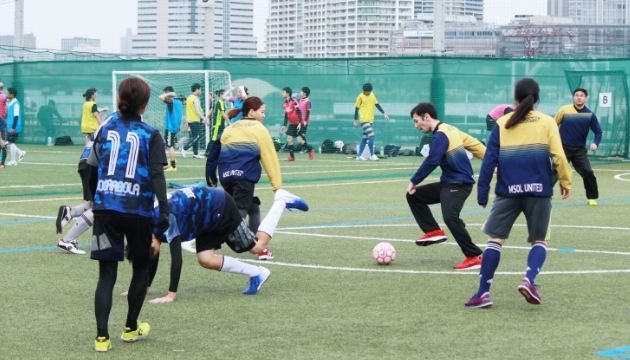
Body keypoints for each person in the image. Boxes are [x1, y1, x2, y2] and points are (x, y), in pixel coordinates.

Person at [465, 78, 572, 309]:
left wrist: (482, 193)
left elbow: (489, 160)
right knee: (539, 240)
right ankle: (529, 280)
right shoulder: (546, 122)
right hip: (539, 191)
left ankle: (483, 293)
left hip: (507, 191)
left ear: (515, 98)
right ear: (537, 98)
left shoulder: (502, 122)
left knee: (495, 240)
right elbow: (559, 156)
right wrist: (566, 181)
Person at [86, 77, 169, 352]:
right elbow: (157, 175)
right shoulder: (151, 134)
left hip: (106, 209)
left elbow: (90, 166)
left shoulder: (105, 127)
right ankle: (130, 327)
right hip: (138, 211)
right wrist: (164, 209)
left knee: (106, 275)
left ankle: (101, 338)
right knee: (140, 267)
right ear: (145, 104)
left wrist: (93, 201)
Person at [145, 184, 308, 303]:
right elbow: (153, 255)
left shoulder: (163, 220)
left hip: (219, 207)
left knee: (257, 247)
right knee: (205, 259)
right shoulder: (147, 227)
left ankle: (281, 200)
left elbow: (176, 258)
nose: (153, 254)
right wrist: (146, 287)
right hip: (203, 218)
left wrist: (171, 294)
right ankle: (257, 273)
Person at [406, 102, 486, 270]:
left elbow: (433, 160)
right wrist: (493, 160)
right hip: (448, 183)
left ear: (426, 116)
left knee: (450, 217)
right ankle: (434, 231)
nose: (416, 126)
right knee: (414, 196)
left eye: (416, 120)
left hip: (459, 183)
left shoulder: (441, 134)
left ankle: (474, 256)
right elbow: (475, 145)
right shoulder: (450, 129)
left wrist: (414, 180)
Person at [206, 96, 281, 261]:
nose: (264, 115)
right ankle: (211, 239)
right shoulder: (259, 128)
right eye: (262, 112)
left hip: (226, 176)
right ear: (252, 112)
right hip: (244, 176)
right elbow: (269, 157)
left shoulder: (230, 128)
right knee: (238, 211)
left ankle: (259, 246)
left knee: (253, 206)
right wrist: (277, 186)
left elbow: (213, 154)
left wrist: (211, 177)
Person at [554, 88, 602, 206]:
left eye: (581, 95)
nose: (579, 97)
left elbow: (598, 132)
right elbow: (553, 125)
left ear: (586, 98)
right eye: (576, 95)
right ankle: (543, 196)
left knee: (588, 172)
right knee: (552, 171)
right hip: (563, 148)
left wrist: (595, 143)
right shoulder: (564, 110)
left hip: (579, 150)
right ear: (573, 97)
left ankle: (592, 198)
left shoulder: (590, 114)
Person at [55, 137, 96, 255]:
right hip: (93, 164)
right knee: (100, 207)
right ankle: (66, 241)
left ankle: (70, 212)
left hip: (86, 161)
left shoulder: (110, 121)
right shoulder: (122, 123)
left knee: (97, 202)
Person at [354, 83, 389, 161]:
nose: (368, 93)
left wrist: (384, 113)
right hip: (363, 120)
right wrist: (355, 120)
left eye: (369, 91)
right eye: (367, 92)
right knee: (372, 135)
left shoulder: (372, 95)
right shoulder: (360, 97)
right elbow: (356, 109)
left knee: (364, 138)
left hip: (370, 120)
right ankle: (372, 155)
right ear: (364, 91)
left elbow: (377, 104)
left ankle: (359, 156)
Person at [158, 86, 184, 172]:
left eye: (165, 93)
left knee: (170, 146)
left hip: (171, 127)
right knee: (168, 144)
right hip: (174, 126)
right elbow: (179, 116)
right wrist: (179, 126)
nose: (164, 95)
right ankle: (171, 161)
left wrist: (169, 94)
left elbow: (160, 97)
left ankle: (173, 166)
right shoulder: (179, 102)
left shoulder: (171, 102)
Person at [180, 83, 208, 159]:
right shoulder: (195, 99)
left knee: (194, 136)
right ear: (197, 89)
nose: (201, 91)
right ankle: (184, 148)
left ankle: (195, 154)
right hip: (194, 120)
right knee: (197, 136)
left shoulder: (189, 98)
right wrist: (205, 119)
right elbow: (198, 110)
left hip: (190, 120)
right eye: (200, 90)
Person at [203, 89, 229, 157]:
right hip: (218, 125)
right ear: (221, 95)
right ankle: (207, 152)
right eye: (224, 94)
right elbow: (222, 113)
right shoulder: (220, 102)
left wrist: (206, 118)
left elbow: (211, 111)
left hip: (220, 125)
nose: (226, 96)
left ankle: (219, 152)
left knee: (221, 138)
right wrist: (229, 121)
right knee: (214, 139)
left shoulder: (217, 102)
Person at [279, 87, 303, 162]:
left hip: (297, 123)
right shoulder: (284, 104)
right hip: (292, 124)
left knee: (300, 141)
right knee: (289, 139)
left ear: (288, 93)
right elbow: (286, 115)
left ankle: (310, 149)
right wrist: (284, 125)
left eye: (283, 92)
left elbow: (299, 112)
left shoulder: (294, 101)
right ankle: (292, 157)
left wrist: (300, 123)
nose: (282, 93)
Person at [5, 87, 26, 166]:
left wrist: (13, 127)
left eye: (8, 93)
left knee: (11, 142)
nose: (6, 94)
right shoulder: (11, 103)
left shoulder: (16, 103)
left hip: (14, 127)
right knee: (9, 142)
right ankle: (20, 153)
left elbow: (16, 116)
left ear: (12, 94)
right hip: (9, 126)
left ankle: (13, 161)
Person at [296, 87, 315, 160]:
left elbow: (308, 111)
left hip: (304, 122)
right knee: (301, 137)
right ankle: (307, 148)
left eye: (301, 91)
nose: (300, 92)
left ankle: (309, 149)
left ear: (304, 93)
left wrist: (305, 121)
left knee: (300, 138)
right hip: (298, 122)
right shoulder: (300, 100)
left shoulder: (308, 101)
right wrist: (294, 98)